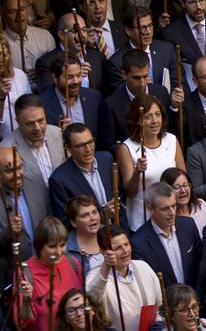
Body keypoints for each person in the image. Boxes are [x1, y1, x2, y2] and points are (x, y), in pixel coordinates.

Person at [19, 217, 81, 331]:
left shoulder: (72, 263)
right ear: (40, 246)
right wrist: (26, 299)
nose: (59, 251)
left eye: (62, 245)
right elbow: (24, 321)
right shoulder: (26, 273)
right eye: (52, 246)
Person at [88, 224, 162, 331]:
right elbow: (91, 297)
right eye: (117, 248)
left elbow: (159, 307)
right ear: (103, 252)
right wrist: (105, 267)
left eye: (126, 244)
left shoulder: (143, 267)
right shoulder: (95, 276)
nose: (125, 251)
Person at [116, 94, 185, 231]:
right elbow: (130, 192)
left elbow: (183, 178)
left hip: (171, 215)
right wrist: (137, 172)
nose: (155, 121)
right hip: (143, 219)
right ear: (137, 121)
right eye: (147, 117)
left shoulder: (171, 140)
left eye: (157, 114)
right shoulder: (127, 148)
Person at [0, 146, 49, 260]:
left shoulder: (36, 184)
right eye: (9, 171)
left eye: (19, 167)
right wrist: (8, 232)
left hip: (46, 259)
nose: (17, 174)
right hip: (18, 267)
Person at [48, 123, 125, 229]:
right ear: (68, 148)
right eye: (80, 145)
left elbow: (120, 195)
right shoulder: (59, 180)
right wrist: (101, 215)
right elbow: (64, 223)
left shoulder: (107, 158)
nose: (88, 149)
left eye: (90, 142)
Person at [130, 182, 202, 289]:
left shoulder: (188, 226)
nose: (172, 212)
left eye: (174, 206)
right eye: (165, 208)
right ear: (150, 209)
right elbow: (146, 284)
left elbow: (199, 264)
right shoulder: (138, 243)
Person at [99, 49, 171, 149]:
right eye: (136, 78)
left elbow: (170, 128)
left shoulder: (161, 92)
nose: (142, 83)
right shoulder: (111, 105)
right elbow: (108, 145)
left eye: (145, 76)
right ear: (124, 75)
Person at [0, 94, 66, 196]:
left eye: (41, 121)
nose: (37, 128)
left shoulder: (58, 134)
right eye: (30, 123)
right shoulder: (6, 150)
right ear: (18, 122)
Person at [105, 6, 179, 93]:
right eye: (142, 28)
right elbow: (121, 96)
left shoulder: (166, 49)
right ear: (128, 30)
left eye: (150, 26)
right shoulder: (117, 63)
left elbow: (178, 82)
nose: (148, 32)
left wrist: (173, 102)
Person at [34, 13, 108, 92]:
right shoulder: (46, 63)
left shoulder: (98, 58)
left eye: (84, 30)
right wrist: (74, 75)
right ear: (61, 34)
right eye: (74, 31)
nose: (81, 35)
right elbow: (48, 96)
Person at [40, 53, 104, 139]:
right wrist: (58, 133)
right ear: (55, 78)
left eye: (78, 75)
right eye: (69, 77)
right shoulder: (42, 104)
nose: (76, 81)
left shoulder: (94, 97)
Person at [1, 0, 55, 78]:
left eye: (22, 9)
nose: (19, 16)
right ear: (4, 15)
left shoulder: (45, 36)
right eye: (12, 12)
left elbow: (56, 68)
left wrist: (42, 72)